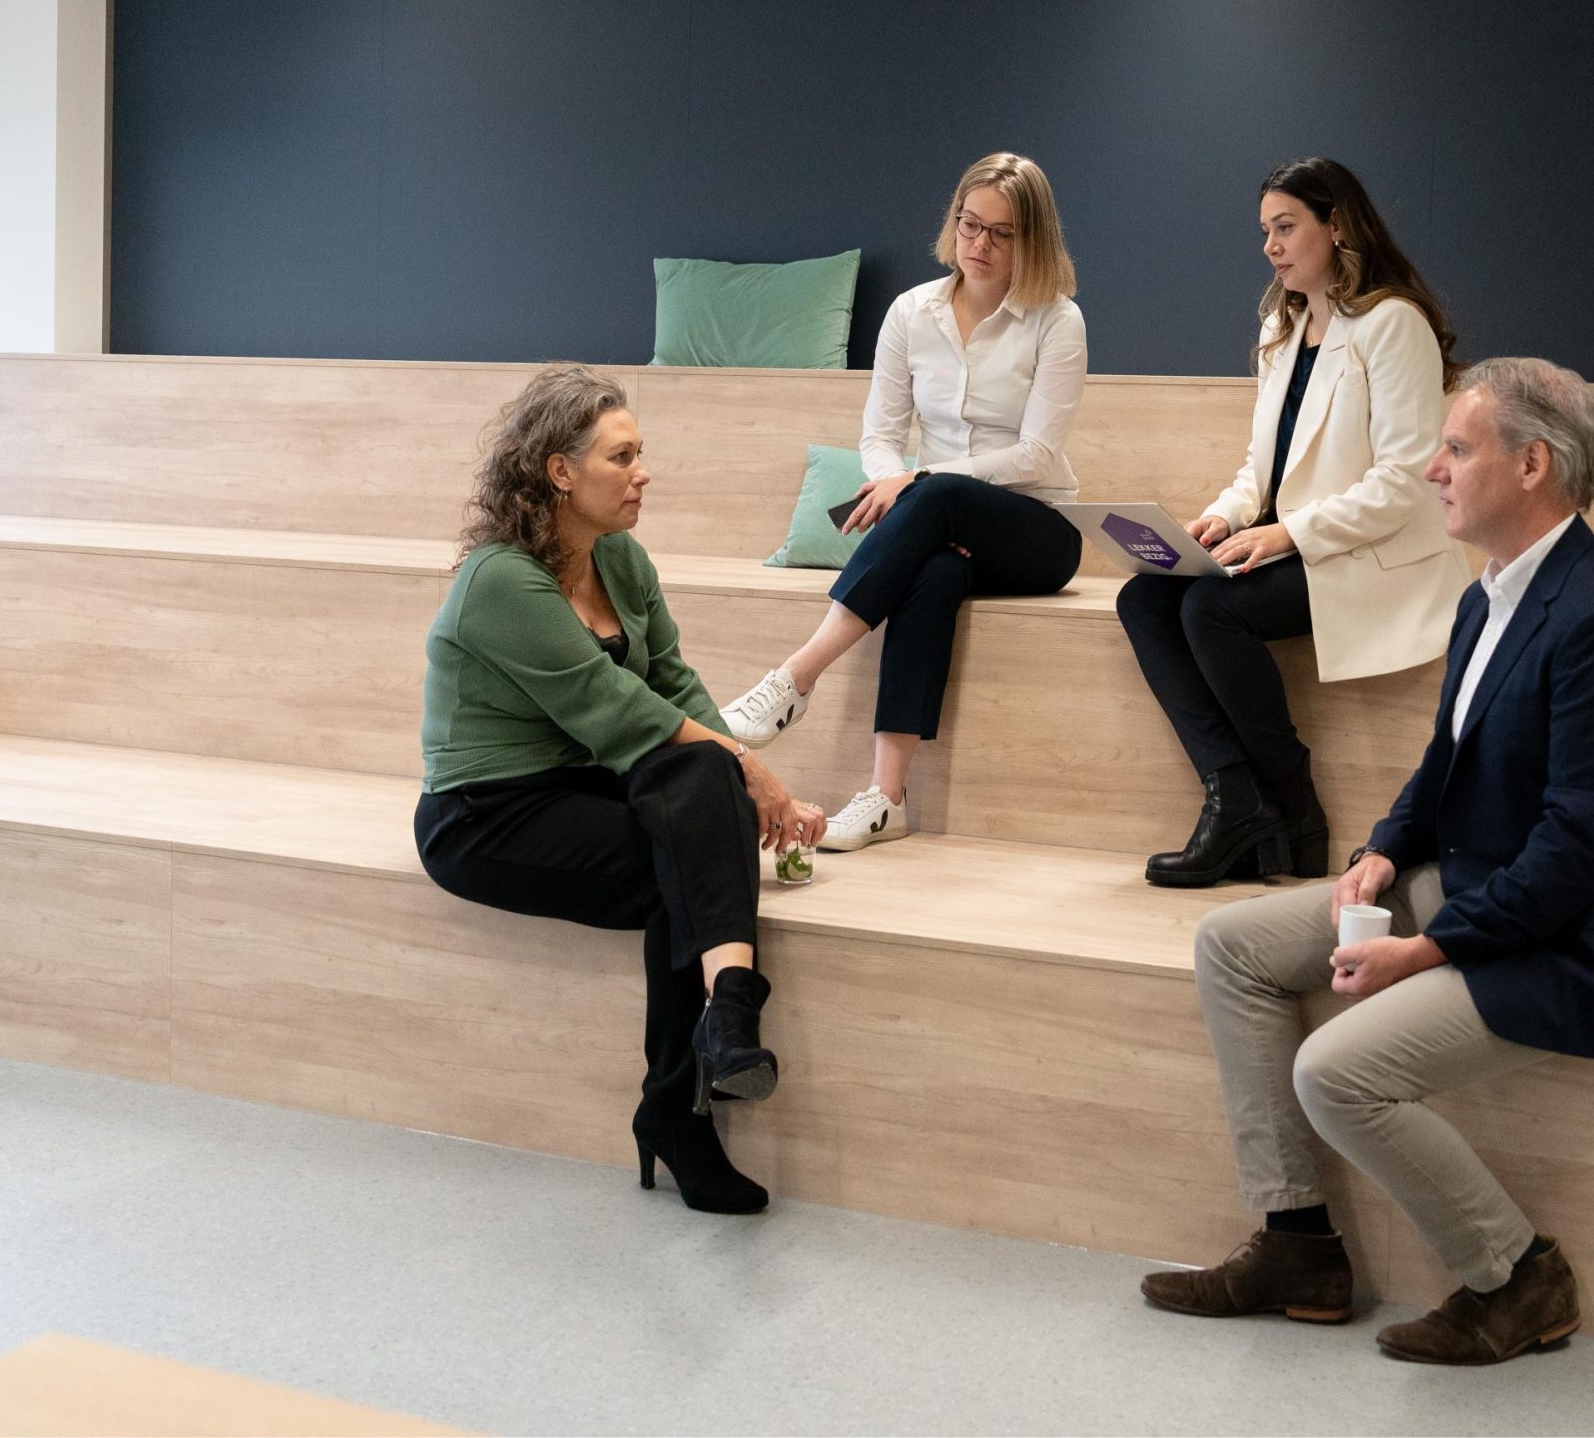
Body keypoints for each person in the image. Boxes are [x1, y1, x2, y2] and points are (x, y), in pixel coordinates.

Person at [1140, 357, 1594, 1364]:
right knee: (1230, 945)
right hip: (1484, 884)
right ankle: (1296, 1244)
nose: (1431, 469)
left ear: (1532, 464)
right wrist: (1383, 852)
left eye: (1456, 448)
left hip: (1584, 939)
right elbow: (1445, 763)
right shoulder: (1486, 596)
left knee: (1337, 1072)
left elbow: (1578, 851)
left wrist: (1429, 950)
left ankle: (1517, 1274)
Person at [413, 364, 829, 1216]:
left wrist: (732, 768)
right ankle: (691, 1094)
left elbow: (674, 683)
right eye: (622, 456)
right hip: (485, 814)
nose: (644, 473)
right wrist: (755, 776)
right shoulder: (500, 582)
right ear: (559, 471)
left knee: (698, 789)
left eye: (641, 453)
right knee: (688, 863)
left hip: (585, 787)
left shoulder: (622, 559)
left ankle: (725, 1028)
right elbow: (617, 711)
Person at [718, 152, 1088, 853]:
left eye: (1001, 233)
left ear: (1032, 239)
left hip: (1036, 531)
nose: (979, 244)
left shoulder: (1057, 320)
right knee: (934, 572)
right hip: (940, 526)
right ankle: (887, 799)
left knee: (937, 488)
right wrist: (900, 482)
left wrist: (916, 482)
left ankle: (796, 677)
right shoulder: (911, 313)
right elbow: (880, 436)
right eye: (969, 224)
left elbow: (1037, 453)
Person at [1118, 158, 1471, 887]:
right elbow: (1263, 467)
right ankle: (1234, 795)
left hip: (1375, 555)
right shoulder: (1283, 326)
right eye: (1265, 231)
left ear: (1336, 225)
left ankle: (1295, 806)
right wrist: (1221, 518)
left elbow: (1404, 483)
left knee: (1211, 608)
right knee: (1145, 597)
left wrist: (1285, 533)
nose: (1270, 247)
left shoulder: (1392, 323)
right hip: (1302, 545)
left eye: (1285, 227)